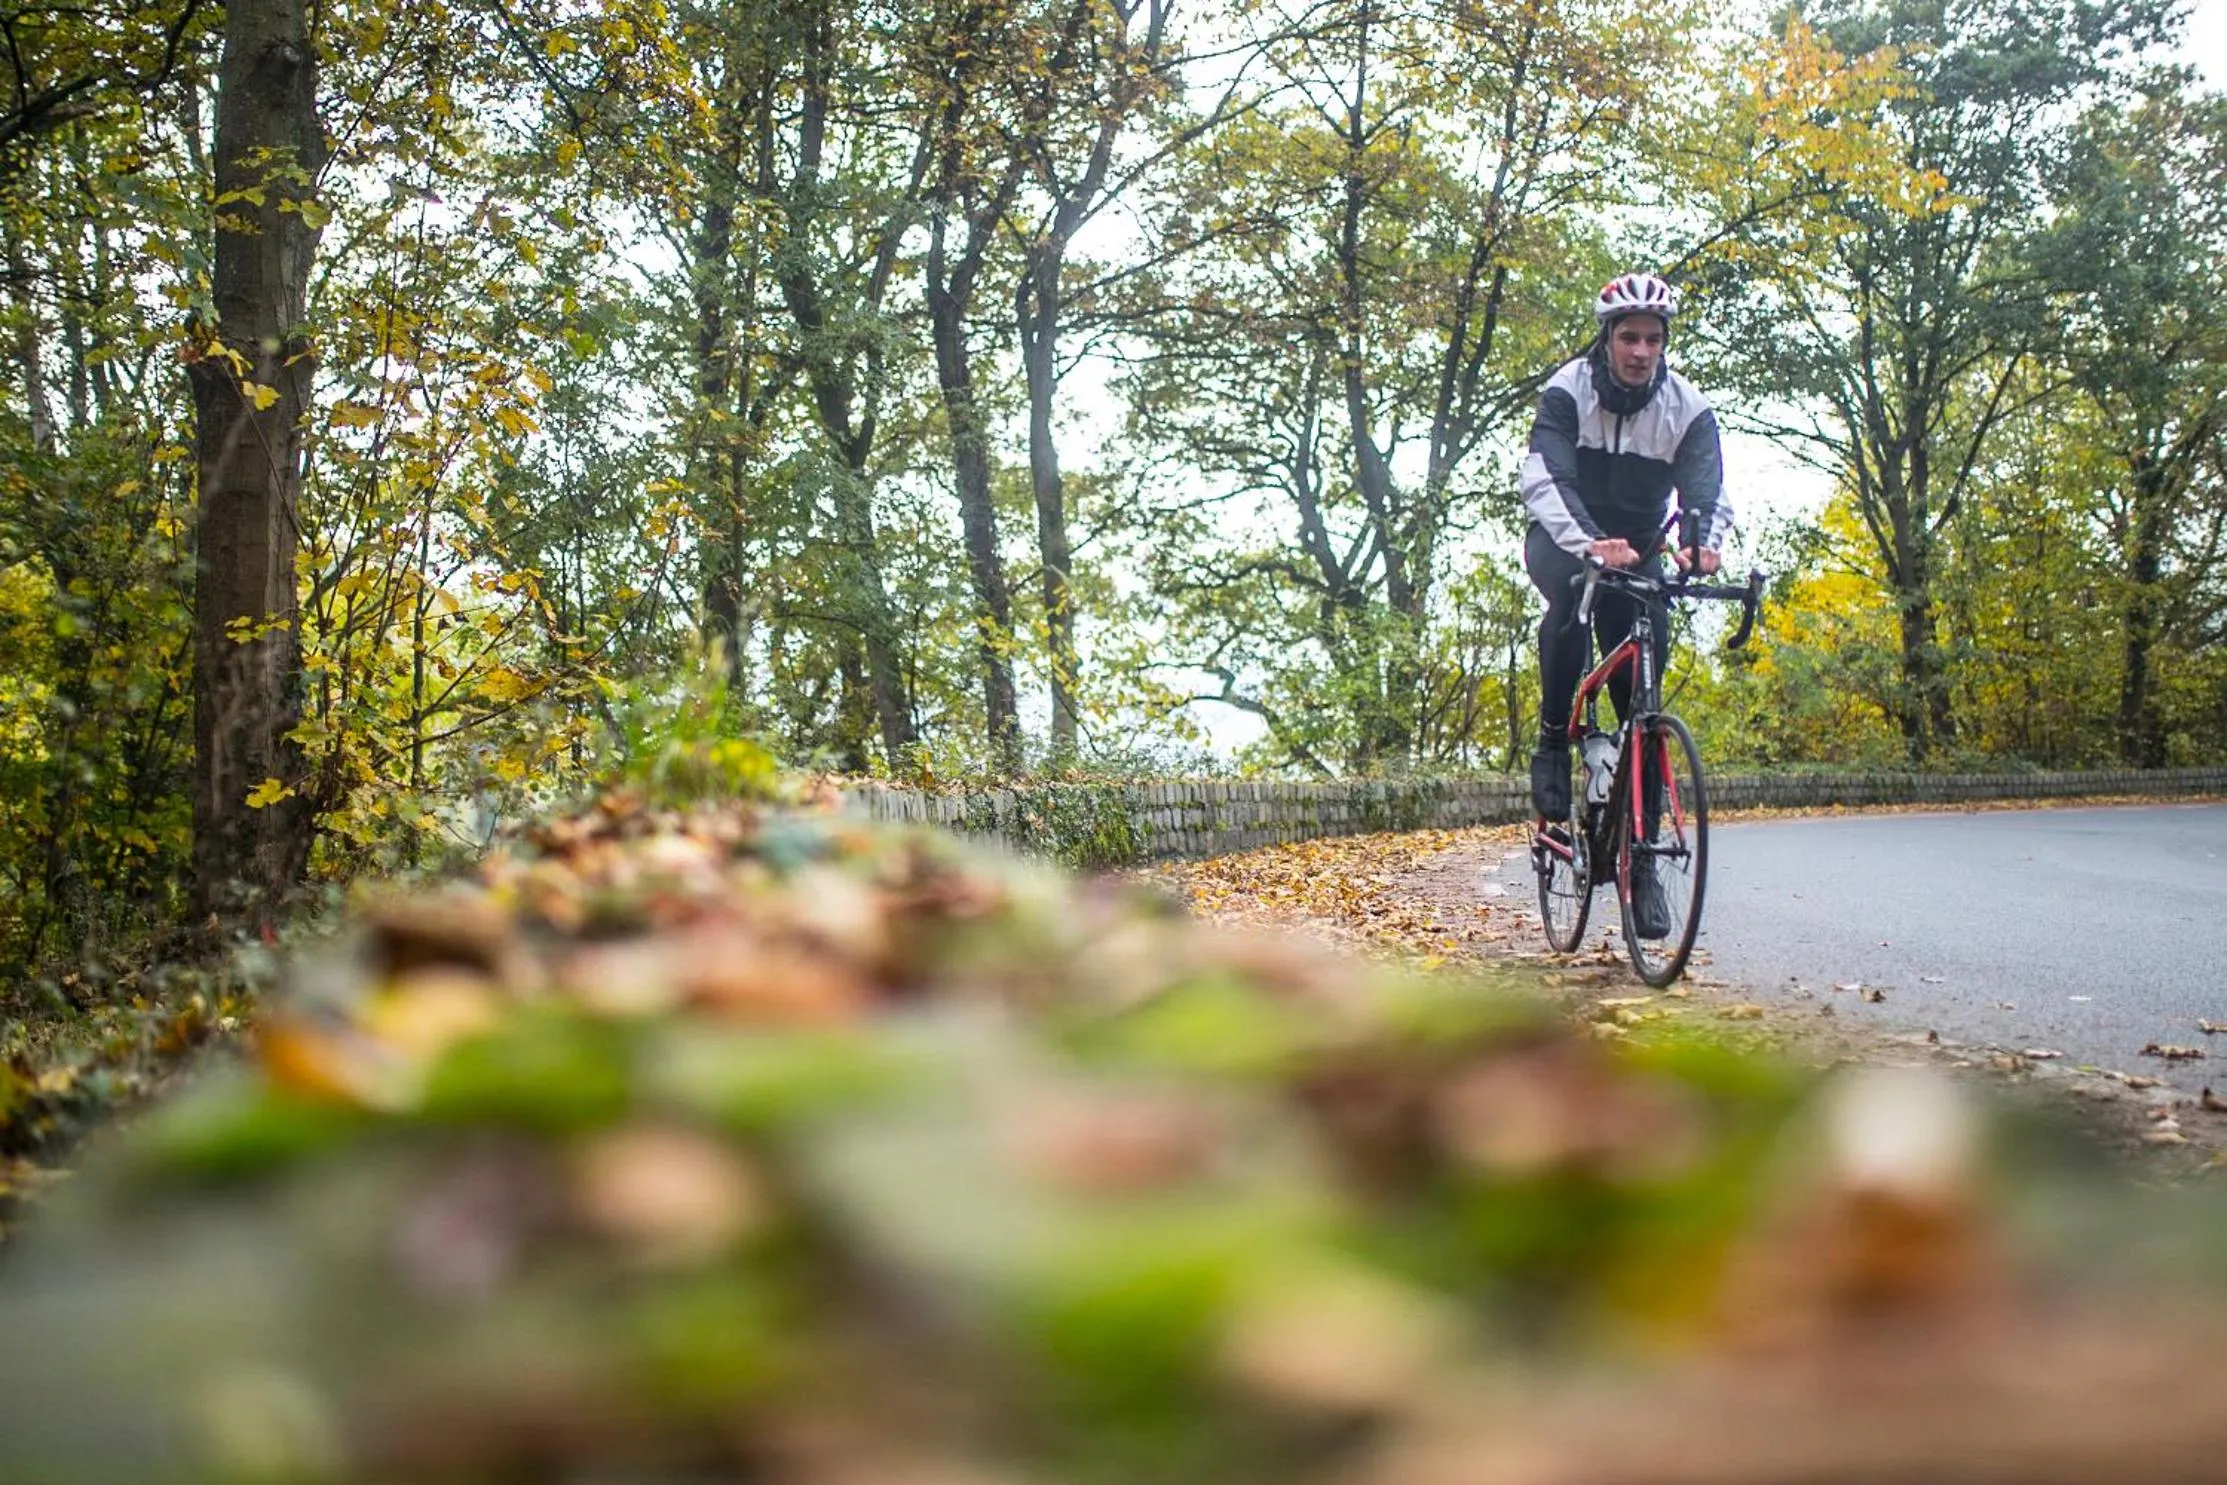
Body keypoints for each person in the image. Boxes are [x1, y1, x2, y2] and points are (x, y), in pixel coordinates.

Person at [1517, 271, 1729, 935]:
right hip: (1565, 537)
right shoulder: (1566, 391)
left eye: (1652, 339)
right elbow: (1542, 475)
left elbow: (1706, 490)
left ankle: (1640, 863)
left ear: (1664, 344)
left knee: (1645, 692)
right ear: (1606, 338)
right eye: (1628, 337)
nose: (1640, 350)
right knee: (1569, 612)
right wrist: (1587, 541)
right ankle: (1555, 741)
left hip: (1638, 552)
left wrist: (1700, 544)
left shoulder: (1685, 408)